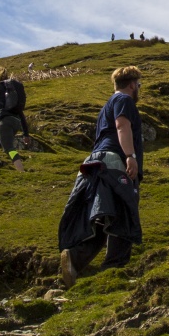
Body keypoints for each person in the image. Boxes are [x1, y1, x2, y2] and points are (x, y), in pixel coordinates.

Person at [58, 65, 145, 284]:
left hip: (97, 161)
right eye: (139, 85)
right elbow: (122, 126)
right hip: (114, 161)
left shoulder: (107, 105)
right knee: (124, 209)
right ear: (133, 84)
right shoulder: (124, 101)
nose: (139, 89)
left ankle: (75, 259)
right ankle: (114, 268)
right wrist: (130, 155)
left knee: (105, 215)